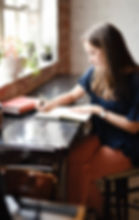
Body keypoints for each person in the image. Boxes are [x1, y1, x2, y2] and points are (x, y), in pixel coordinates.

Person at [37, 23, 139, 217]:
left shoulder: (135, 80)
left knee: (87, 172)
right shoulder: (96, 71)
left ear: (109, 51)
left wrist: (98, 111)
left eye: (93, 53)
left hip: (128, 142)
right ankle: (79, 213)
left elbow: (134, 127)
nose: (89, 58)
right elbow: (72, 95)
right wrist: (49, 105)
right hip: (102, 135)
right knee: (72, 160)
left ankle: (85, 213)